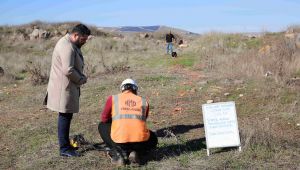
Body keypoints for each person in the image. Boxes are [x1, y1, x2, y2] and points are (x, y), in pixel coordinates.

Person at [44, 24, 91, 157]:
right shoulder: (67, 46)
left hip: (66, 87)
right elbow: (68, 70)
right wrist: (81, 79)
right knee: (64, 116)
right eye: (83, 39)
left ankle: (66, 145)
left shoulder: (70, 43)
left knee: (66, 115)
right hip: (63, 89)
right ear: (75, 35)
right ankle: (64, 149)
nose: (84, 42)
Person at [98, 78, 158, 166]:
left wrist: (115, 120)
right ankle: (137, 152)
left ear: (122, 89)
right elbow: (143, 120)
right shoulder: (144, 101)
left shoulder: (113, 98)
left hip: (119, 142)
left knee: (102, 125)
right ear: (135, 89)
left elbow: (104, 119)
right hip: (140, 143)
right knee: (153, 138)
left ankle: (118, 153)